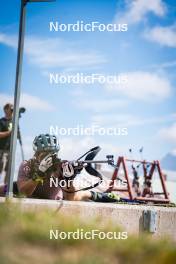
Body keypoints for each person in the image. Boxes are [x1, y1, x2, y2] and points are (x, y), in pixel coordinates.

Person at [15, 133, 121, 203]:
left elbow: (70, 198)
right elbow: (24, 192)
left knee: (78, 196)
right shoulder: (27, 165)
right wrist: (39, 174)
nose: (49, 158)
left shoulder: (59, 166)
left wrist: (68, 179)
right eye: (45, 155)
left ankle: (94, 194)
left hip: (59, 197)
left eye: (52, 154)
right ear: (36, 154)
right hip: (33, 193)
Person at [0, 103, 13, 184]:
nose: (12, 110)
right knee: (0, 168)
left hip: (10, 150)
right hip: (2, 150)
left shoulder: (14, 121)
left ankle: (4, 190)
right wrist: (9, 132)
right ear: (5, 110)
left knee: (9, 172)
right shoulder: (2, 121)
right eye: (10, 108)